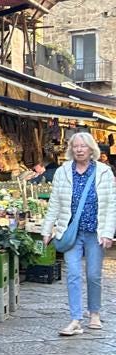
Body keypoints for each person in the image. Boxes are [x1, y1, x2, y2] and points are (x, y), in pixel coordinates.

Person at [41, 130, 116, 336]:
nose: (79, 150)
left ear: (91, 149)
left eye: (83, 146)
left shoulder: (104, 172)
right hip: (71, 232)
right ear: (71, 149)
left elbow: (111, 205)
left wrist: (108, 232)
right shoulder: (63, 172)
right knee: (73, 274)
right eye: (75, 146)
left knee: (93, 275)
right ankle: (75, 319)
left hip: (95, 232)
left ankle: (94, 313)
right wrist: (47, 229)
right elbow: (54, 203)